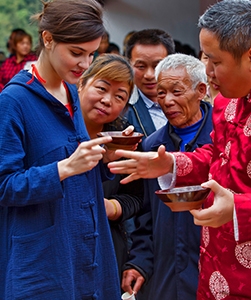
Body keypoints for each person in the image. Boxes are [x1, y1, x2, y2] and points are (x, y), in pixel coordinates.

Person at [108, 0, 251, 298]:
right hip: (213, 270)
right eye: (204, 58)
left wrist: (238, 209)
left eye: (215, 61)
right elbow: (219, 155)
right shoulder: (229, 98)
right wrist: (172, 164)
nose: (207, 72)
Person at [0, 0, 121, 299]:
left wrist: (106, 156)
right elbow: (5, 186)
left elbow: (76, 164)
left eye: (91, 54)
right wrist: (64, 168)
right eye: (76, 53)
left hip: (86, 248)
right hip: (43, 259)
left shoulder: (71, 92)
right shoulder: (13, 101)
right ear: (47, 39)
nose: (84, 64)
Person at [121, 53, 213, 299]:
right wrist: (139, 262)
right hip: (167, 271)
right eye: (161, 93)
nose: (168, 101)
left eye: (177, 91)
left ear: (201, 90)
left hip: (213, 266)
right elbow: (146, 215)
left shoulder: (223, 138)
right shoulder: (153, 146)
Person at [78, 53, 144, 287]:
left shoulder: (125, 136)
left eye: (119, 97)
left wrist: (112, 208)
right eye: (101, 88)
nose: (108, 100)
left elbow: (136, 196)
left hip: (106, 245)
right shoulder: (56, 128)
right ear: (82, 83)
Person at [124, 28, 175, 139]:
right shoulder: (122, 109)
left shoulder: (189, 103)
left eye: (157, 66)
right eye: (141, 66)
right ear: (129, 65)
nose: (149, 75)